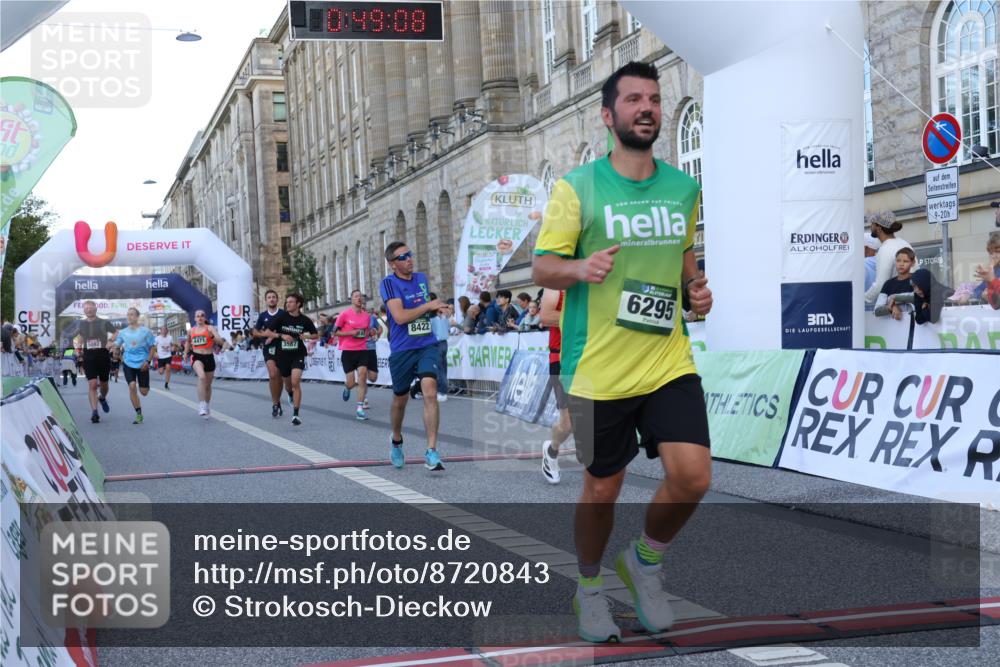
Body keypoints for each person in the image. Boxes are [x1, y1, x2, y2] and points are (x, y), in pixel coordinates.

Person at [532, 61, 714, 643]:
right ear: (608, 116)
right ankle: (589, 587)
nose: (647, 108)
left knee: (693, 477)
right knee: (601, 489)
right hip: (596, 368)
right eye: (634, 99)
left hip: (667, 360)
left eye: (654, 99)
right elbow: (543, 267)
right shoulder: (577, 188)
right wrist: (579, 268)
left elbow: (685, 262)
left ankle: (643, 563)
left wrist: (696, 292)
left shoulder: (683, 189)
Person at [379, 242, 446, 471]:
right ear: (392, 264)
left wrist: (436, 309)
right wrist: (428, 306)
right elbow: (399, 317)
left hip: (426, 344)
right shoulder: (389, 284)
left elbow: (422, 310)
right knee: (400, 400)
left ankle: (432, 451)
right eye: (402, 257)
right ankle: (396, 440)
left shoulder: (421, 279)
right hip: (402, 349)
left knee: (430, 392)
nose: (409, 259)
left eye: (409, 254)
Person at [263, 293, 317, 426]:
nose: (288, 304)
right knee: (288, 385)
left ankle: (296, 414)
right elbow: (267, 332)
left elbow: (315, 335)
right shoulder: (281, 317)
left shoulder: (304, 320)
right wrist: (281, 336)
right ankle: (290, 394)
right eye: (287, 302)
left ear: (298, 304)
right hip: (283, 355)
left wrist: (306, 337)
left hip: (298, 354)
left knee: (295, 381)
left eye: (291, 302)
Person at [539, 289, 572, 484]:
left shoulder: (595, 283)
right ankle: (551, 451)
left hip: (591, 356)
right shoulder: (556, 285)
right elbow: (546, 316)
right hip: (561, 358)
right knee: (568, 423)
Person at [252, 289, 290, 418]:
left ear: (277, 299)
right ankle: (275, 404)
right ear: (266, 300)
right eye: (269, 297)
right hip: (269, 348)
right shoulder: (263, 316)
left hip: (283, 347)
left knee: (280, 377)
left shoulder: (283, 314)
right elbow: (255, 332)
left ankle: (278, 400)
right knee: (273, 374)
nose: (272, 299)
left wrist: (274, 335)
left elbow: (289, 330)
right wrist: (265, 335)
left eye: (274, 297)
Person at [114, 308, 157, 424]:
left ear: (137, 317)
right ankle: (138, 413)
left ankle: (145, 386)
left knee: (144, 392)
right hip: (128, 363)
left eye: (132, 314)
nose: (129, 317)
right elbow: (117, 345)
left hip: (143, 364)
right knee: (132, 386)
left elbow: (153, 347)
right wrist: (116, 352)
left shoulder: (146, 331)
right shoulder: (123, 332)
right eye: (128, 315)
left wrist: (148, 361)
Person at [335, 289, 373, 420]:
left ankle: (360, 409)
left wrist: (372, 333)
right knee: (351, 383)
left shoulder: (366, 316)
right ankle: (347, 388)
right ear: (351, 299)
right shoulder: (344, 315)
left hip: (362, 350)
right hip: (348, 351)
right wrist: (350, 333)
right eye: (356, 296)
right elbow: (335, 332)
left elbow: (366, 332)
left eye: (360, 296)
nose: (359, 298)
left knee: (362, 377)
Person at [77, 301, 117, 423]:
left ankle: (102, 397)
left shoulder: (104, 322)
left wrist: (111, 341)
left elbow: (116, 332)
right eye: (86, 308)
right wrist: (78, 349)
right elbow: (80, 337)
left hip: (102, 354)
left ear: (95, 309)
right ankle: (94, 412)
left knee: (104, 384)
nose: (89, 310)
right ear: (84, 311)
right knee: (93, 384)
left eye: (91, 308)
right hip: (89, 355)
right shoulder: (81, 324)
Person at [864, 210, 912, 305]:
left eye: (872, 223)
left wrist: (863, 298)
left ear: (879, 227)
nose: (870, 226)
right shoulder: (905, 243)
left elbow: (880, 285)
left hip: (897, 305)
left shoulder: (885, 249)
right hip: (908, 301)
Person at [185, 310, 227, 417]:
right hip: (196, 356)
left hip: (209, 357)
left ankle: (207, 405)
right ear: (195, 318)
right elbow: (188, 342)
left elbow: (220, 341)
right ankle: (201, 404)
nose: (200, 318)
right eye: (198, 316)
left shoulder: (210, 328)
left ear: (204, 318)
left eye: (202, 316)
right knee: (202, 377)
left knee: (208, 386)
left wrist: (212, 336)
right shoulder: (191, 330)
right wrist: (185, 353)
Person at [877, 247, 917, 320]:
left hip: (916, 324)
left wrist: (894, 298)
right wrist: (892, 307)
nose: (901, 264)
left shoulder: (917, 279)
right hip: (893, 326)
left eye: (905, 261)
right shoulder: (888, 284)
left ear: (913, 263)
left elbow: (919, 298)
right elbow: (877, 310)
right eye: (898, 261)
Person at [429, 293, 450, 402]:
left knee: (439, 368)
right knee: (443, 367)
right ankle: (443, 390)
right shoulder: (444, 315)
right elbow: (448, 328)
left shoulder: (431, 317)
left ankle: (442, 391)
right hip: (444, 342)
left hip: (436, 343)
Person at [972, 231, 1000, 308]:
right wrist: (982, 294)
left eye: (997, 252)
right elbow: (976, 290)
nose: (993, 256)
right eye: (991, 253)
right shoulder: (994, 271)